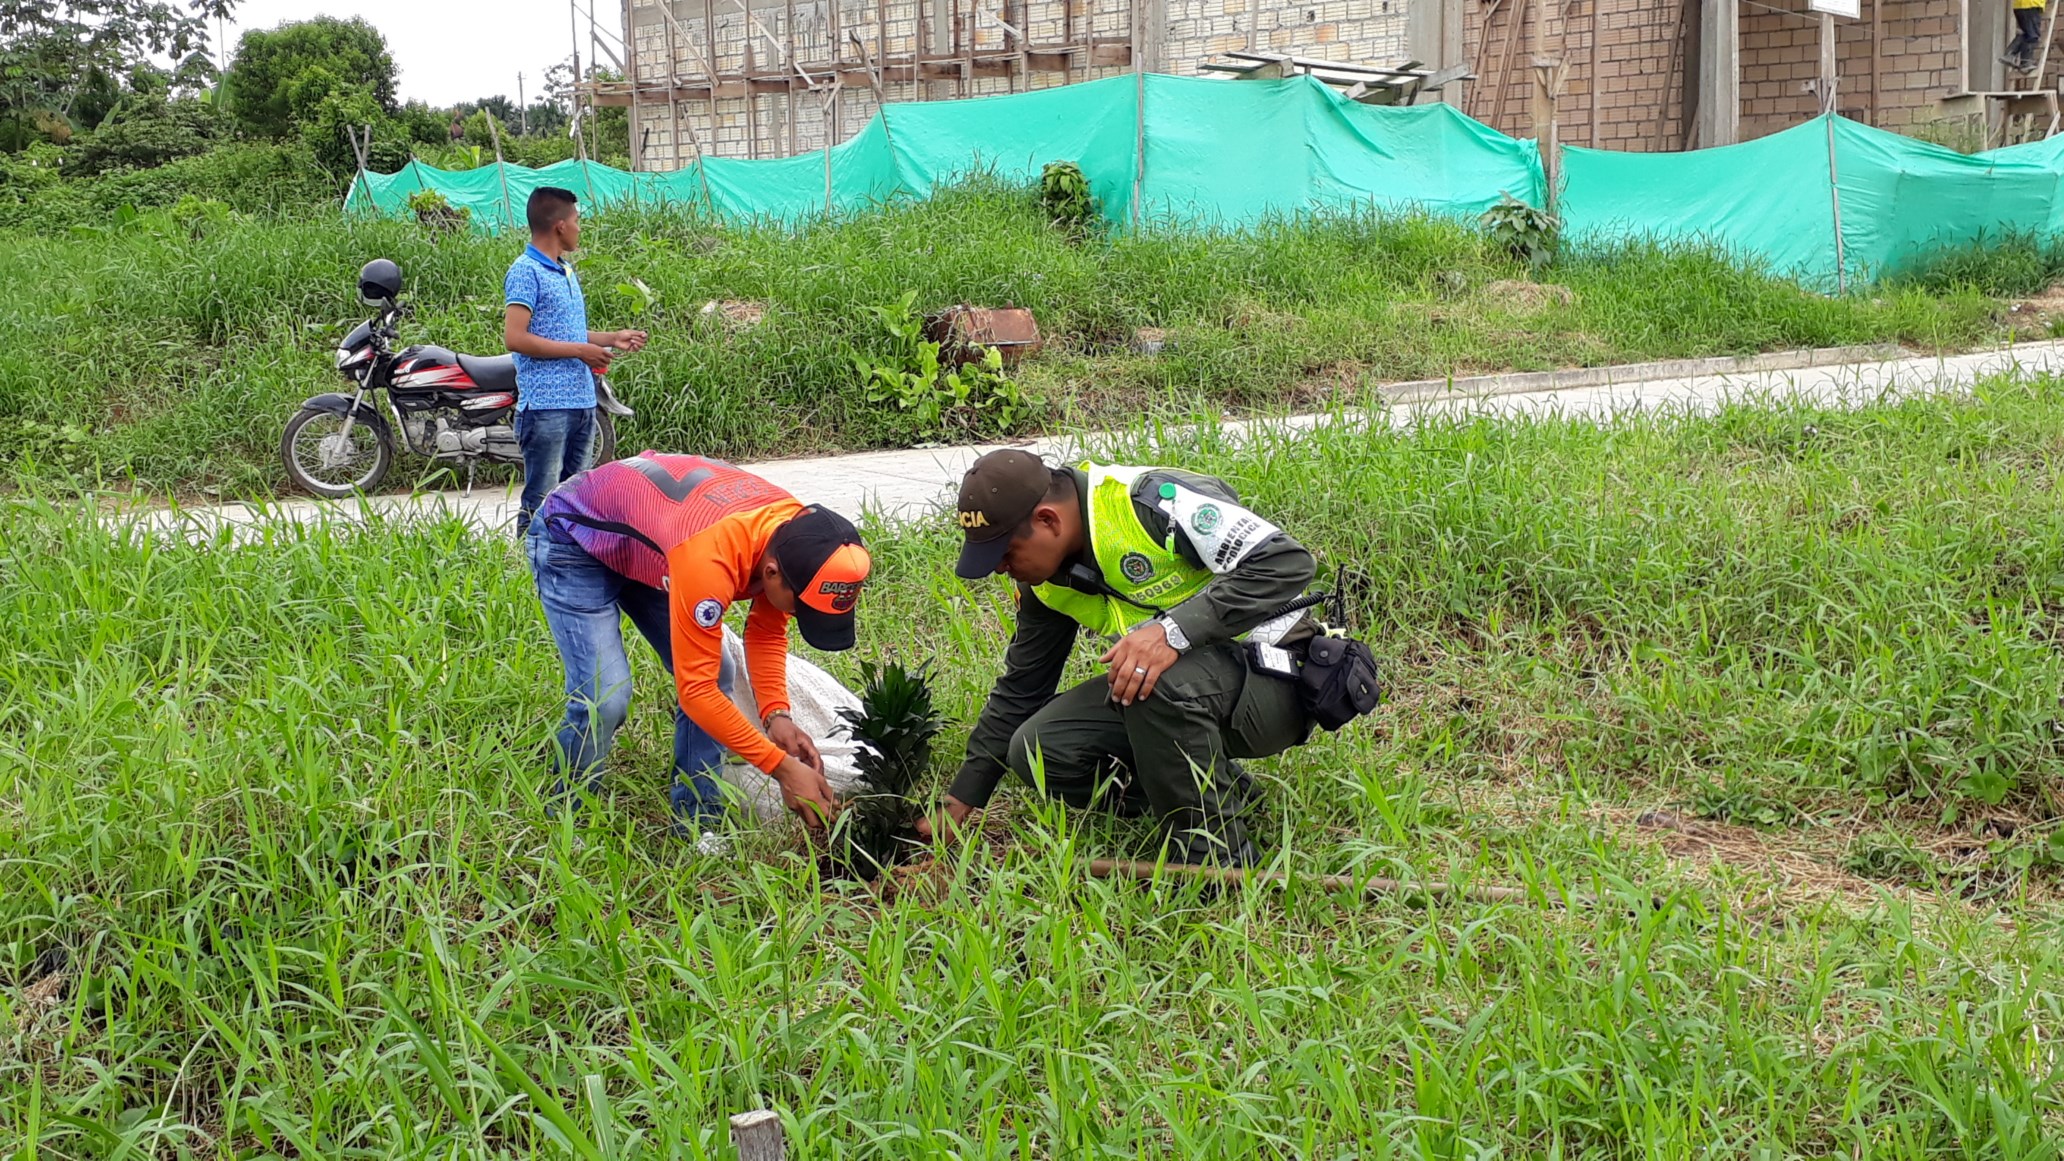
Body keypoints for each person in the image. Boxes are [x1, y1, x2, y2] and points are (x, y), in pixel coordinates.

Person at [917, 449, 1323, 866]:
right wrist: (964, 796)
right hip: (1192, 686)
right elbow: (1023, 688)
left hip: (1277, 676)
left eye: (1005, 553)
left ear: (1047, 520)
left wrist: (1171, 632)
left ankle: (1219, 859)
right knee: (1036, 748)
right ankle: (1224, 793)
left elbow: (1287, 561)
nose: (1001, 569)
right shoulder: (1045, 582)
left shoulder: (1151, 502)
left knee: (1152, 678)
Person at [526, 451, 872, 838]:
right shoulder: (711, 558)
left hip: (653, 547)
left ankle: (696, 823)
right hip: (574, 539)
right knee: (605, 695)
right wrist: (781, 767)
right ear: (771, 573)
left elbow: (767, 630)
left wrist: (778, 716)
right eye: (802, 610)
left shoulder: (798, 536)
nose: (800, 617)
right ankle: (565, 816)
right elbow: (697, 691)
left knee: (720, 670)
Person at [504, 186, 648, 538]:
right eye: (576, 220)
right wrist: (581, 352)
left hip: (581, 402)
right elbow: (516, 338)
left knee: (574, 501)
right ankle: (527, 567)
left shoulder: (564, 270)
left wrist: (611, 338)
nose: (579, 228)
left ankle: (564, 569)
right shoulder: (525, 271)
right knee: (540, 500)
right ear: (559, 226)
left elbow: (567, 332)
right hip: (546, 407)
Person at [2005, 0, 2047, 73]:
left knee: (2027, 34)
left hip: (2019, 7)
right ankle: (2024, 62)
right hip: (2030, 6)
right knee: (2033, 36)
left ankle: (2011, 55)